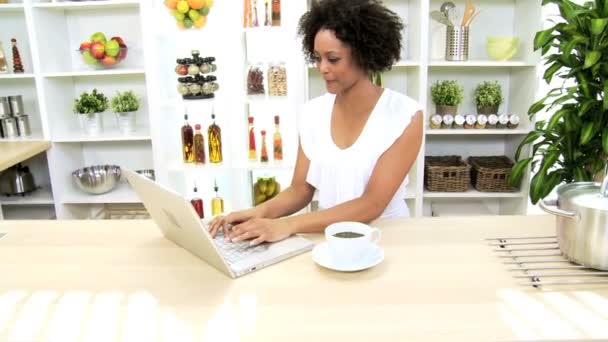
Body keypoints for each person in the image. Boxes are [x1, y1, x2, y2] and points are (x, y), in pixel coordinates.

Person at [209, 0, 423, 245]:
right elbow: (300, 190)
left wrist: (286, 225)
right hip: (328, 237)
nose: (322, 68)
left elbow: (371, 204)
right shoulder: (313, 113)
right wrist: (254, 214)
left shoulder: (405, 115)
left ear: (365, 54)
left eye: (333, 59)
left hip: (388, 239)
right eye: (317, 58)